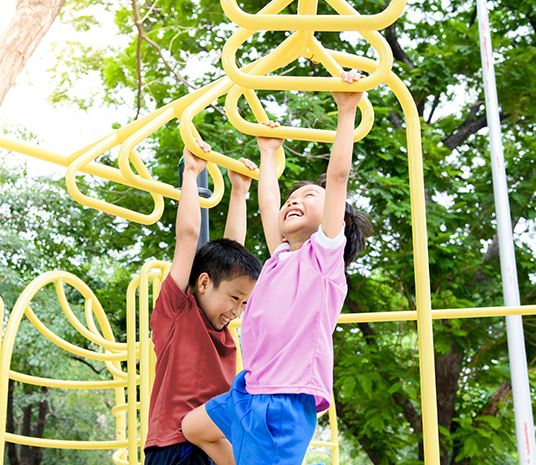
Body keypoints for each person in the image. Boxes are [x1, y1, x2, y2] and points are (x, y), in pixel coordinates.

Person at [181, 70, 374, 465]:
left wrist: (346, 111)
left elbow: (337, 177)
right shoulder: (281, 257)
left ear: (335, 221)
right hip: (250, 390)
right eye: (293, 195)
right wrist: (268, 151)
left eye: (309, 196)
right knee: (194, 427)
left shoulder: (322, 259)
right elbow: (268, 204)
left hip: (283, 401)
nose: (294, 200)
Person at [144, 139, 263, 465]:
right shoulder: (177, 311)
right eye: (235, 300)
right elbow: (187, 236)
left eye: (244, 303)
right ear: (204, 283)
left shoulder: (223, 328)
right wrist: (192, 172)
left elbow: (233, 252)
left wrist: (239, 191)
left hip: (211, 444)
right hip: (173, 446)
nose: (237, 311)